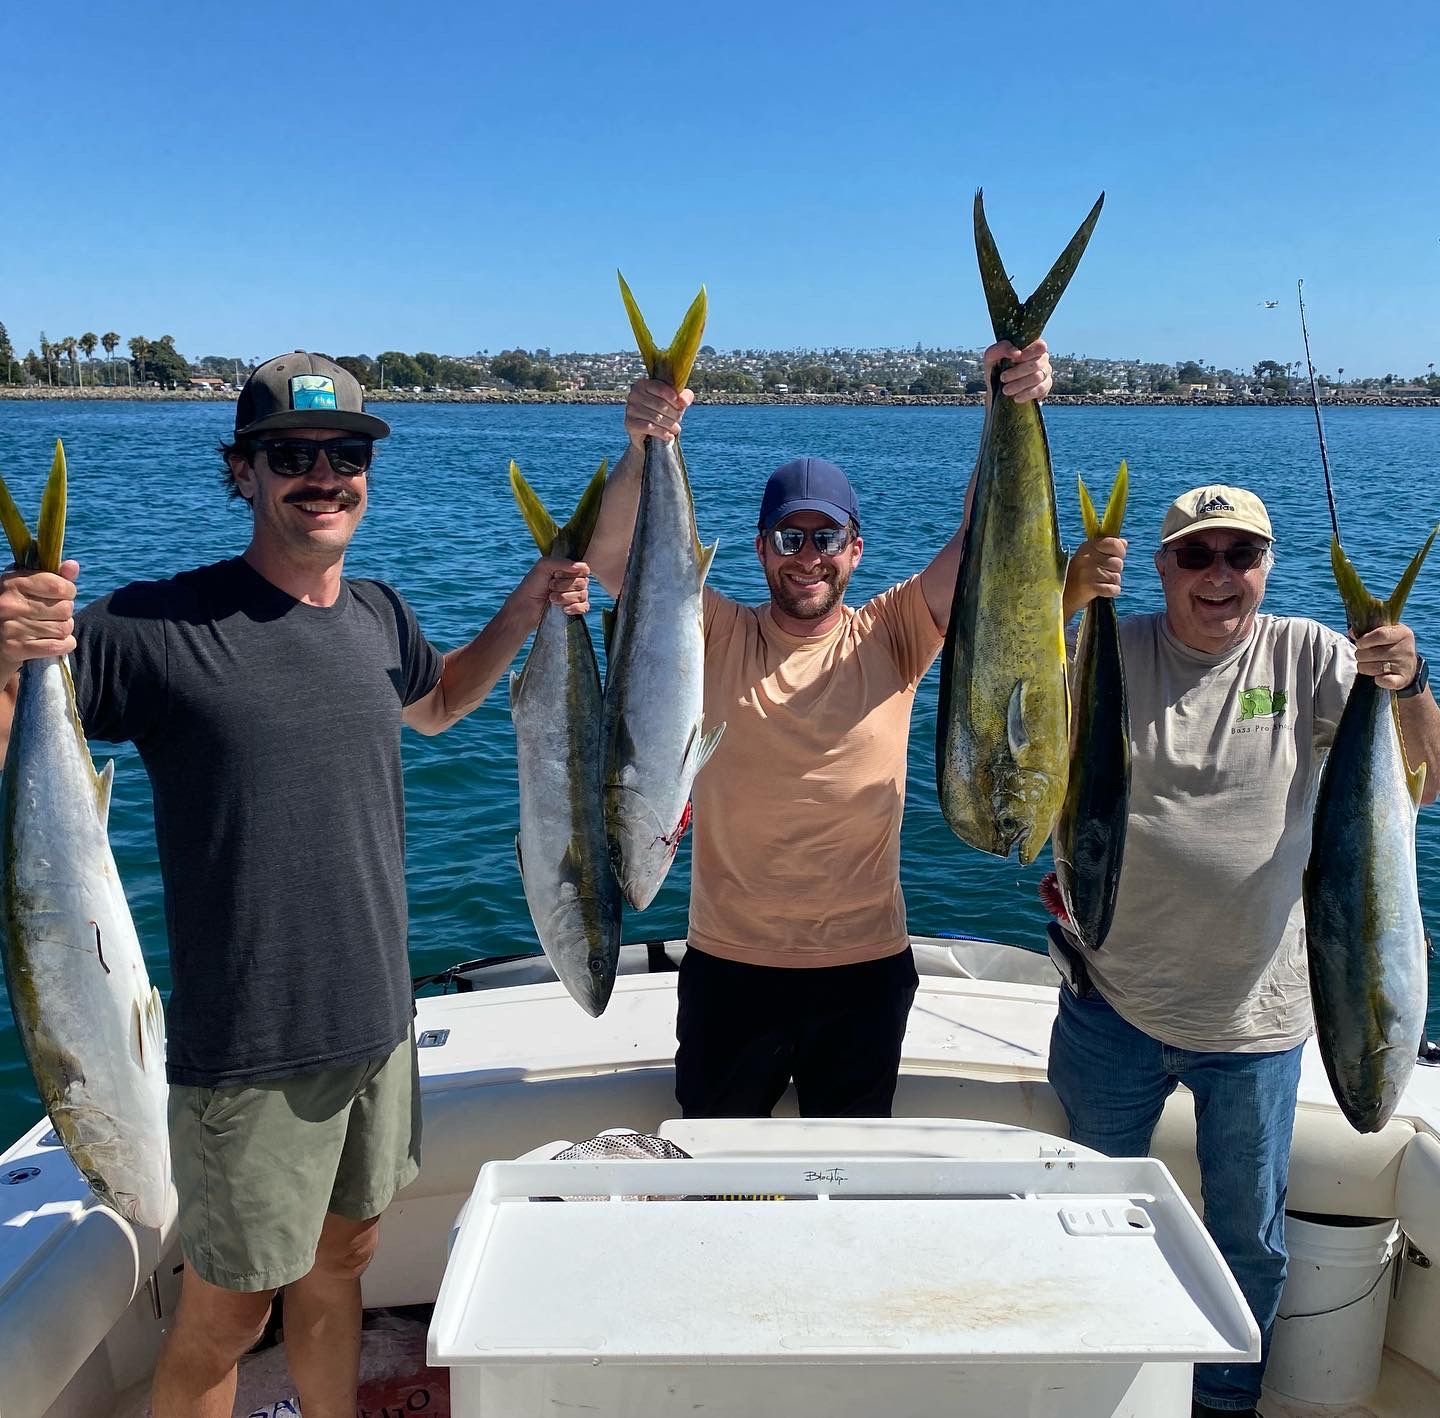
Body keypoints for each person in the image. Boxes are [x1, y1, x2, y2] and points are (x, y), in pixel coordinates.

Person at [0, 352, 590, 1418]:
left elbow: (444, 697)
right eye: (291, 455)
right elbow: (18, 743)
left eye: (346, 453)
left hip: (378, 1022)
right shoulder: (156, 627)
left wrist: (528, 600)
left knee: (343, 1265)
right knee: (227, 1314)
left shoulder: (376, 613)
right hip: (250, 1050)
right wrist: (7, 655)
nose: (324, 475)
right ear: (243, 472)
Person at [1049, 484, 1440, 1418]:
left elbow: (1429, 780)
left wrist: (1410, 680)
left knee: (1248, 1242)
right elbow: (1010, 691)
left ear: (1266, 566)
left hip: (1259, 1022)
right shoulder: (1115, 648)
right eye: (1195, 556)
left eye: (1241, 556)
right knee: (1085, 1214)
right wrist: (1066, 600)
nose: (1219, 576)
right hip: (1113, 1005)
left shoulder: (1309, 653)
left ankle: (1225, 1399)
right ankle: (1099, 1382)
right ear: (1162, 567)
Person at [586, 340, 1052, 1120]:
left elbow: (986, 535)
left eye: (826, 538)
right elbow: (608, 557)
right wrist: (644, 446)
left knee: (847, 1185)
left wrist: (1011, 400)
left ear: (855, 550)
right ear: (762, 548)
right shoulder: (713, 634)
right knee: (719, 1183)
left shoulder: (895, 632)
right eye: (790, 538)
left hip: (864, 973)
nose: (809, 558)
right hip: (730, 970)